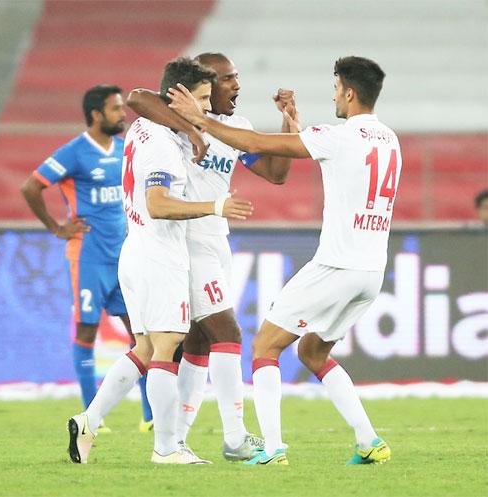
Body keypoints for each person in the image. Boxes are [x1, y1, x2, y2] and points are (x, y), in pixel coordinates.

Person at [168, 55, 400, 465]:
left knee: (264, 346)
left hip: (337, 265)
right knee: (313, 352)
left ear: (348, 92)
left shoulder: (340, 136)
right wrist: (293, 122)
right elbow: (279, 162)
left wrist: (197, 118)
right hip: (371, 271)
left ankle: (273, 449)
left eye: (334, 90)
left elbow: (257, 146)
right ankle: (369, 441)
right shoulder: (390, 140)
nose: (334, 97)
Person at [67, 57, 253, 465]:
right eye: (201, 98)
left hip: (135, 252)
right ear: (178, 97)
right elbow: (158, 204)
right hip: (161, 255)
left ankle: (89, 419)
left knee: (147, 349)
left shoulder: (142, 128)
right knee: (168, 348)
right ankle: (167, 448)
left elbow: (143, 101)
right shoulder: (165, 146)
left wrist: (190, 126)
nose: (204, 107)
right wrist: (215, 204)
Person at [127, 52, 297, 461]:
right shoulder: (173, 122)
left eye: (237, 77)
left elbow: (276, 174)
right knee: (227, 333)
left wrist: (290, 124)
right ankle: (235, 437)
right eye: (227, 79)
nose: (236, 85)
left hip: (216, 240)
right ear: (192, 91)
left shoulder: (234, 127)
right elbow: (137, 97)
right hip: (186, 238)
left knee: (198, 342)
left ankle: (175, 437)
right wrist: (192, 126)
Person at [21, 85, 152, 431]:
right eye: (115, 109)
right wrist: (56, 227)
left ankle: (149, 417)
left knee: (141, 335)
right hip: (89, 257)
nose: (123, 114)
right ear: (96, 114)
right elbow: (30, 187)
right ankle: (91, 413)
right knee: (87, 329)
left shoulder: (126, 151)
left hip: (123, 256)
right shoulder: (75, 152)